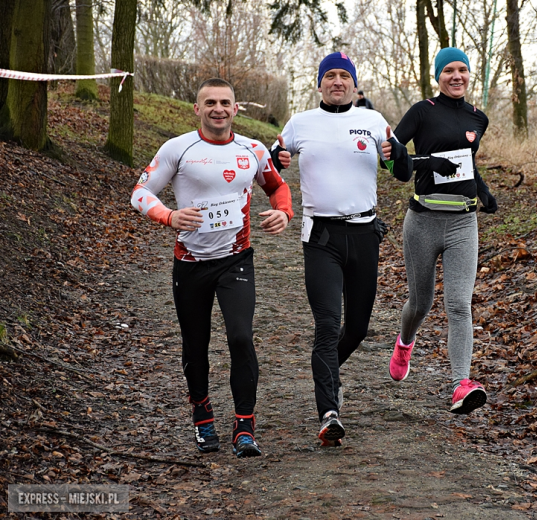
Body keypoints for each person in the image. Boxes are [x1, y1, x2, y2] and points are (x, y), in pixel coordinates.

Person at [130, 78, 293, 458]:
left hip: (236, 259)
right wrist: (169, 215)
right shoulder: (178, 148)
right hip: (190, 263)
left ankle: (244, 426)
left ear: (236, 109)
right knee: (196, 344)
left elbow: (278, 187)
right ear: (197, 109)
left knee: (240, 337)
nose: (218, 109)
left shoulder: (251, 149)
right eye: (210, 103)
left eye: (225, 102)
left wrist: (284, 212)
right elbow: (140, 192)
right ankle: (202, 415)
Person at [270, 52, 412, 446]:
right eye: (329, 76)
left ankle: (326, 373)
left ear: (353, 84)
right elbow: (270, 165)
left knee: (359, 328)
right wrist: (277, 159)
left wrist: (397, 154)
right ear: (319, 84)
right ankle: (329, 411)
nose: (336, 82)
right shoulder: (300, 123)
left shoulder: (372, 121)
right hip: (322, 238)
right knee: (328, 326)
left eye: (343, 76)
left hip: (365, 234)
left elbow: (403, 173)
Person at [388, 47, 498, 415]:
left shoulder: (477, 118)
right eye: (448, 70)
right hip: (423, 220)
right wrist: (408, 158)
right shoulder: (422, 111)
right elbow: (395, 158)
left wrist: (483, 192)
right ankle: (405, 341)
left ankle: (460, 385)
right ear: (438, 76)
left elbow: (464, 164)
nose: (456, 76)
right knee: (420, 304)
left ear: (469, 75)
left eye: (462, 70)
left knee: (459, 305)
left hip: (464, 222)